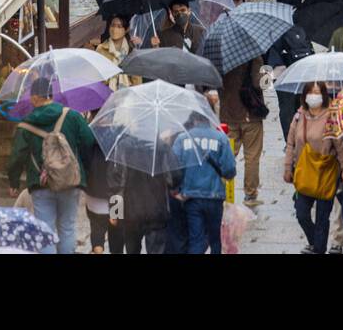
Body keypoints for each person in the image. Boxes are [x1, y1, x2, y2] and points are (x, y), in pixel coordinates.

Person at [6, 77, 96, 254]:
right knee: (68, 228)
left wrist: (14, 182)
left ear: (34, 98)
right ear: (51, 95)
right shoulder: (73, 116)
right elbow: (88, 142)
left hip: (41, 184)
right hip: (70, 181)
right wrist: (85, 172)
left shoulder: (25, 125)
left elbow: (16, 156)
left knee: (45, 230)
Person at [284, 82, 343, 254]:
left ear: (323, 95)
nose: (313, 96)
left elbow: (340, 145)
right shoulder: (299, 116)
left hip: (326, 173)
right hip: (304, 171)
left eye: (317, 92)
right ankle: (316, 242)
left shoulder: (331, 116)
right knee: (302, 213)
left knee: (323, 217)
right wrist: (287, 167)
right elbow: (291, 143)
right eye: (311, 92)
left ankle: (319, 249)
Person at [171, 120, 237, 254]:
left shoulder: (182, 139)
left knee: (196, 239)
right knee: (215, 239)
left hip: (191, 197)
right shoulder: (221, 138)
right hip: (215, 195)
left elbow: (173, 169)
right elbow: (229, 170)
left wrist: (177, 189)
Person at [220, 54, 266, 207]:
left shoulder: (220, 53)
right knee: (252, 156)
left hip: (227, 114)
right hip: (250, 114)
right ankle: (250, 195)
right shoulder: (252, 55)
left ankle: (223, 192)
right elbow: (259, 83)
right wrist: (268, 74)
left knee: (227, 155)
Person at [267, 0, 310, 140]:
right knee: (304, 108)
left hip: (282, 74)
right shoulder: (304, 20)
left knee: (286, 111)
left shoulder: (273, 22)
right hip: (304, 73)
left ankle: (290, 144)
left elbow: (270, 52)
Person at [107, 161, 170, 254]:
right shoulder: (161, 149)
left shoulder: (123, 149)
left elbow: (116, 183)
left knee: (132, 250)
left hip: (131, 211)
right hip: (156, 210)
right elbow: (173, 177)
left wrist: (114, 212)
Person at [84, 140, 122, 254]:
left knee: (97, 229)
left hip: (93, 193)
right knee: (116, 232)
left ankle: (97, 251)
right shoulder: (119, 141)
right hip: (116, 196)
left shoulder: (89, 138)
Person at [96, 14, 142, 90]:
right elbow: (98, 78)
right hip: (107, 94)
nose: (114, 29)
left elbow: (137, 80)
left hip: (128, 95)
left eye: (119, 26)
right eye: (112, 25)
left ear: (126, 29)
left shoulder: (132, 50)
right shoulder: (101, 49)